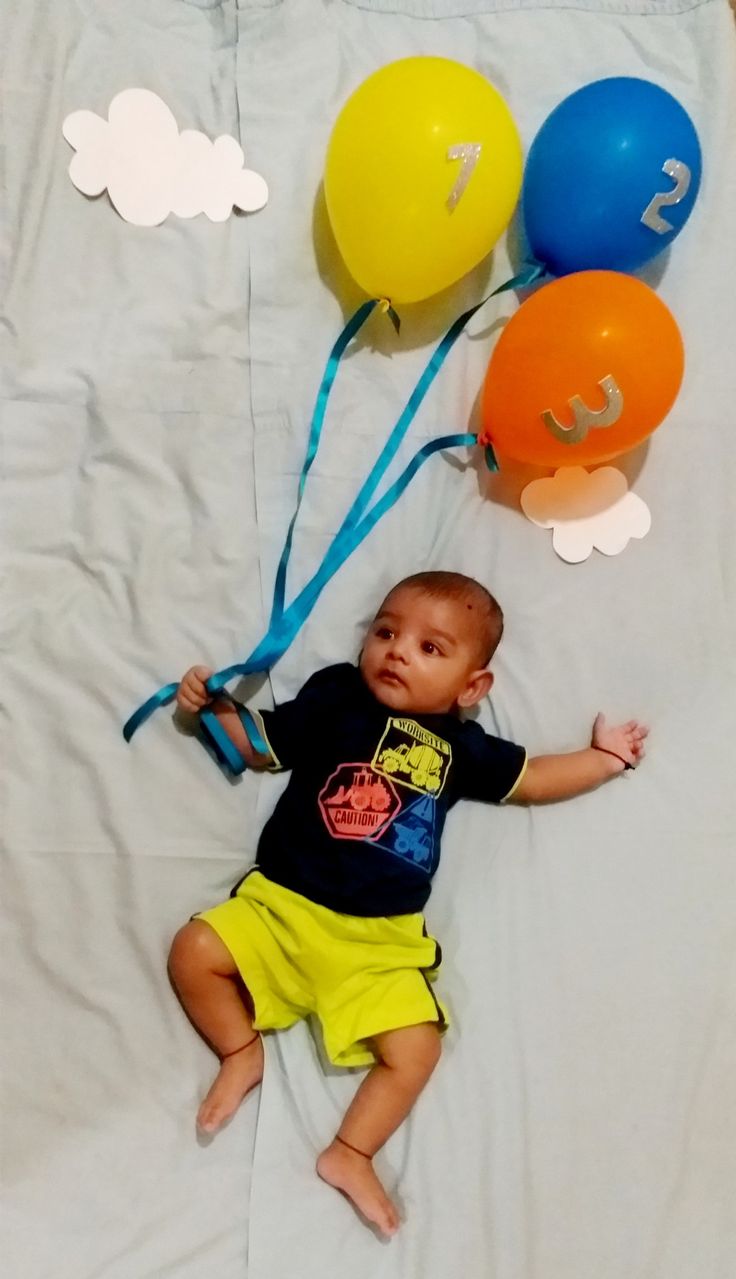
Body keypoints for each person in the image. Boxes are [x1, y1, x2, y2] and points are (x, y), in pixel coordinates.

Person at [168, 571, 647, 1237]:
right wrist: (215, 706)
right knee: (194, 950)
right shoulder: (336, 694)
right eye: (386, 631)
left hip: (378, 943)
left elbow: (533, 777)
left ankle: (352, 1150)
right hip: (282, 907)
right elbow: (260, 745)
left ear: (472, 687)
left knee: (418, 1047)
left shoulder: (458, 745)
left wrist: (603, 758)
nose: (397, 650)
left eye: (431, 648)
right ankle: (240, 1050)